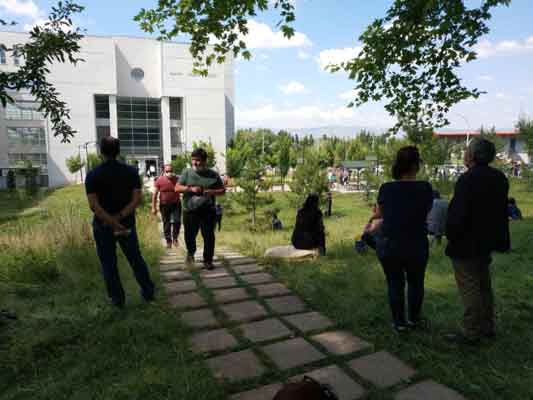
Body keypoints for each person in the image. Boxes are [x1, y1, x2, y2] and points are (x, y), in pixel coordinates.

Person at [445, 139, 510, 345]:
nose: (464, 154)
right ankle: (488, 326)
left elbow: (458, 214)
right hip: (488, 241)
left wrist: (450, 234)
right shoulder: (499, 177)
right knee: (483, 285)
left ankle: (471, 332)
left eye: (466, 151)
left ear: (471, 156)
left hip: (466, 242)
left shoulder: (468, 179)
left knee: (470, 288)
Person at [85, 137, 155, 308]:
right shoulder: (131, 172)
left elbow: (93, 205)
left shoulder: (93, 175)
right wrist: (120, 218)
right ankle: (148, 293)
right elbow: (136, 199)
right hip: (127, 223)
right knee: (135, 258)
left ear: (101, 152)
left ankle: (117, 301)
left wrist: (110, 221)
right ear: (118, 151)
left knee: (108, 264)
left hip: (103, 225)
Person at [374, 146, 433, 332]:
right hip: (416, 243)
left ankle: (399, 323)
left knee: (394, 283)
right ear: (417, 165)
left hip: (390, 243)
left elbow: (380, 214)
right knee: (416, 283)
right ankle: (414, 320)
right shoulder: (425, 188)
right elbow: (427, 211)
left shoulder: (386, 188)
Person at [175, 148, 225, 270]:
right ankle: (190, 254)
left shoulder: (213, 174)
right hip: (190, 211)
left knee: (208, 236)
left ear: (204, 161)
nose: (195, 163)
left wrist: (210, 192)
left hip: (208, 211)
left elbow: (222, 190)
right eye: (193, 160)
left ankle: (208, 260)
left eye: (197, 160)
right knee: (189, 235)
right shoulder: (186, 172)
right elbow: (177, 188)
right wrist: (190, 189)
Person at [152, 164, 181, 249]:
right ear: (164, 171)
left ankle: (175, 238)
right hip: (164, 205)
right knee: (166, 222)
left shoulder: (177, 179)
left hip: (176, 204)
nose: (169, 173)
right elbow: (155, 194)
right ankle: (168, 241)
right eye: (167, 171)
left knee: (177, 221)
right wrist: (153, 207)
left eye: (171, 171)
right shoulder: (159, 180)